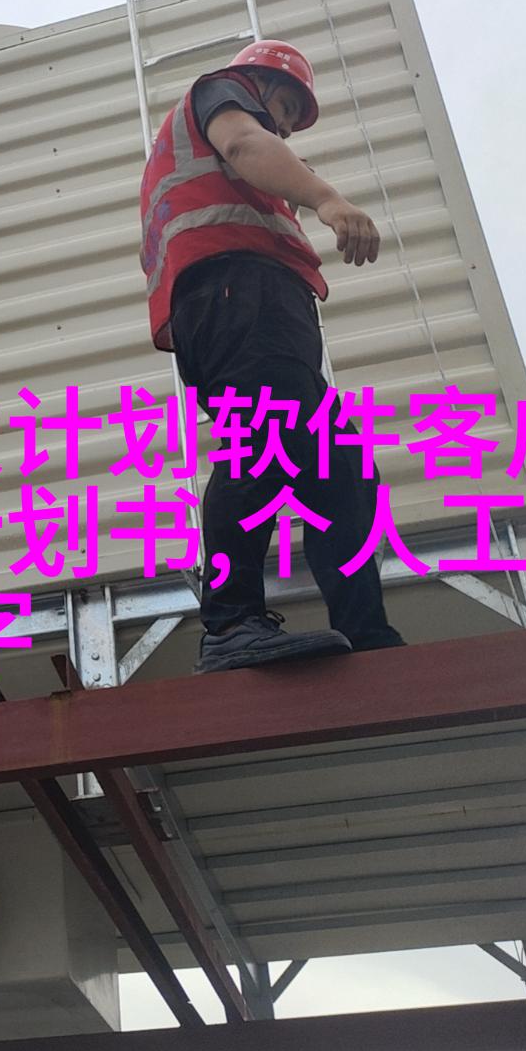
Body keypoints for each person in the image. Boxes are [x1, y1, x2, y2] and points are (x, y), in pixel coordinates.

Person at [137, 39, 407, 672]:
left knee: (342, 468)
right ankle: (231, 623)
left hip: (256, 303)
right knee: (264, 440)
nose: (281, 127)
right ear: (256, 82)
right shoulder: (221, 94)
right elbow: (243, 142)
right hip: (237, 293)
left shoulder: (254, 159)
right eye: (284, 108)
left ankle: (365, 632)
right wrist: (328, 199)